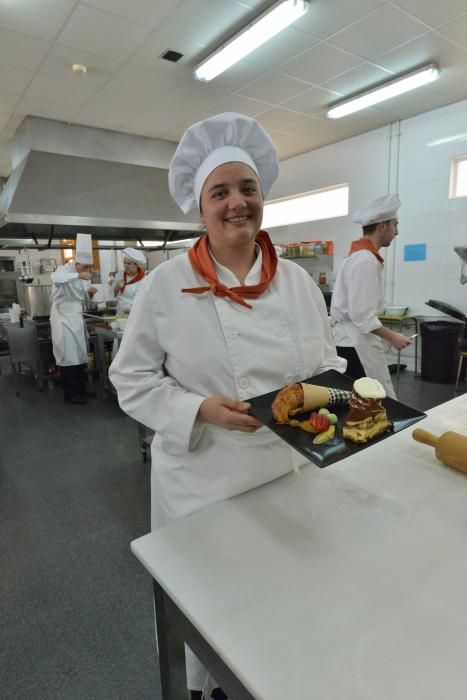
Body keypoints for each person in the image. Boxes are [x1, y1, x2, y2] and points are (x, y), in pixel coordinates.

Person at [109, 112, 346, 699]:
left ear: (263, 196)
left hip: (285, 473)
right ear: (200, 205)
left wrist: (323, 405)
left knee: (275, 613)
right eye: (221, 192)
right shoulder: (164, 286)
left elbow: (327, 365)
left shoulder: (294, 281)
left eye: (248, 189)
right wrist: (198, 410)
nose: (237, 203)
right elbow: (130, 378)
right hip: (204, 482)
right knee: (214, 616)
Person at [330, 193, 411, 399]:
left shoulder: (360, 257)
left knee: (360, 400)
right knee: (369, 401)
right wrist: (393, 337)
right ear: (382, 226)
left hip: (352, 341)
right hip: (354, 344)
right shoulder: (365, 260)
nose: (397, 232)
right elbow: (362, 316)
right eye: (395, 225)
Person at [50, 233, 98, 404]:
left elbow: (83, 298)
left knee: (80, 355)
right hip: (63, 318)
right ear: (76, 263)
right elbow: (56, 279)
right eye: (85, 267)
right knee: (68, 356)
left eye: (89, 268)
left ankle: (82, 390)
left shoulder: (83, 274)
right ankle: (71, 394)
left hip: (77, 318)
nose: (87, 271)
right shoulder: (64, 270)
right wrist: (78, 276)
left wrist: (89, 293)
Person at [113, 247, 146, 314]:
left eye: (129, 264)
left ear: (137, 265)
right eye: (124, 263)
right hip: (119, 314)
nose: (125, 266)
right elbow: (112, 294)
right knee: (111, 325)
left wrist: (130, 309)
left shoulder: (144, 279)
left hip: (135, 314)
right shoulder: (120, 274)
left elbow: (144, 301)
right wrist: (117, 287)